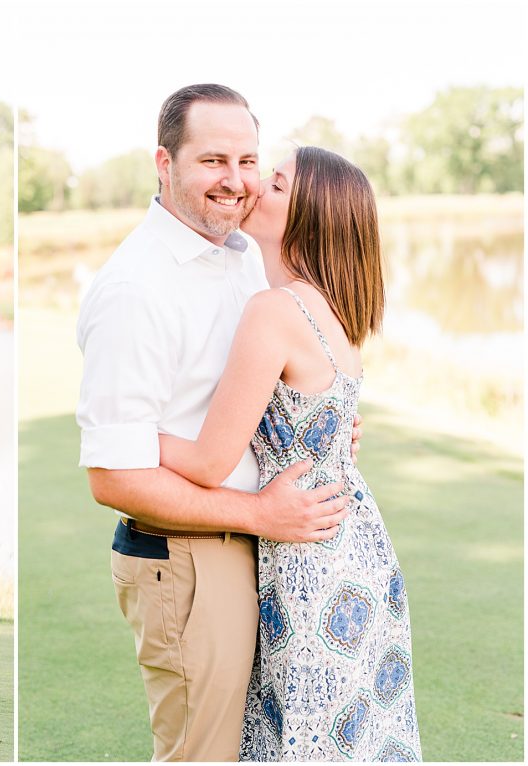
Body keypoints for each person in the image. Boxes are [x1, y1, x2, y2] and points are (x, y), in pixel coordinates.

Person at [75, 84, 360, 761]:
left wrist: (323, 426)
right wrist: (261, 514)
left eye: (247, 160)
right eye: (212, 161)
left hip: (258, 545)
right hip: (188, 555)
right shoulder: (135, 290)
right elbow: (114, 478)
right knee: (203, 755)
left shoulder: (240, 258)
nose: (235, 181)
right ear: (164, 163)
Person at [158, 147, 421, 760]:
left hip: (310, 558)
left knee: (301, 732)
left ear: (306, 216)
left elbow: (206, 463)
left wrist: (127, 433)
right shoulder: (334, 307)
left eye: (274, 184)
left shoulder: (275, 310)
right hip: (356, 543)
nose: (253, 187)